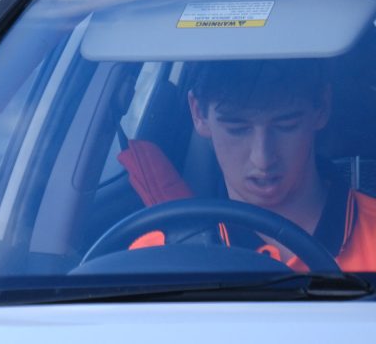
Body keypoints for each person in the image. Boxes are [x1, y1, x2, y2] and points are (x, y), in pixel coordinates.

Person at [133, 59, 376, 271]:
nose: (263, 158)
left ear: (322, 107)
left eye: (286, 125)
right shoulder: (159, 256)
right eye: (237, 130)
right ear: (198, 113)